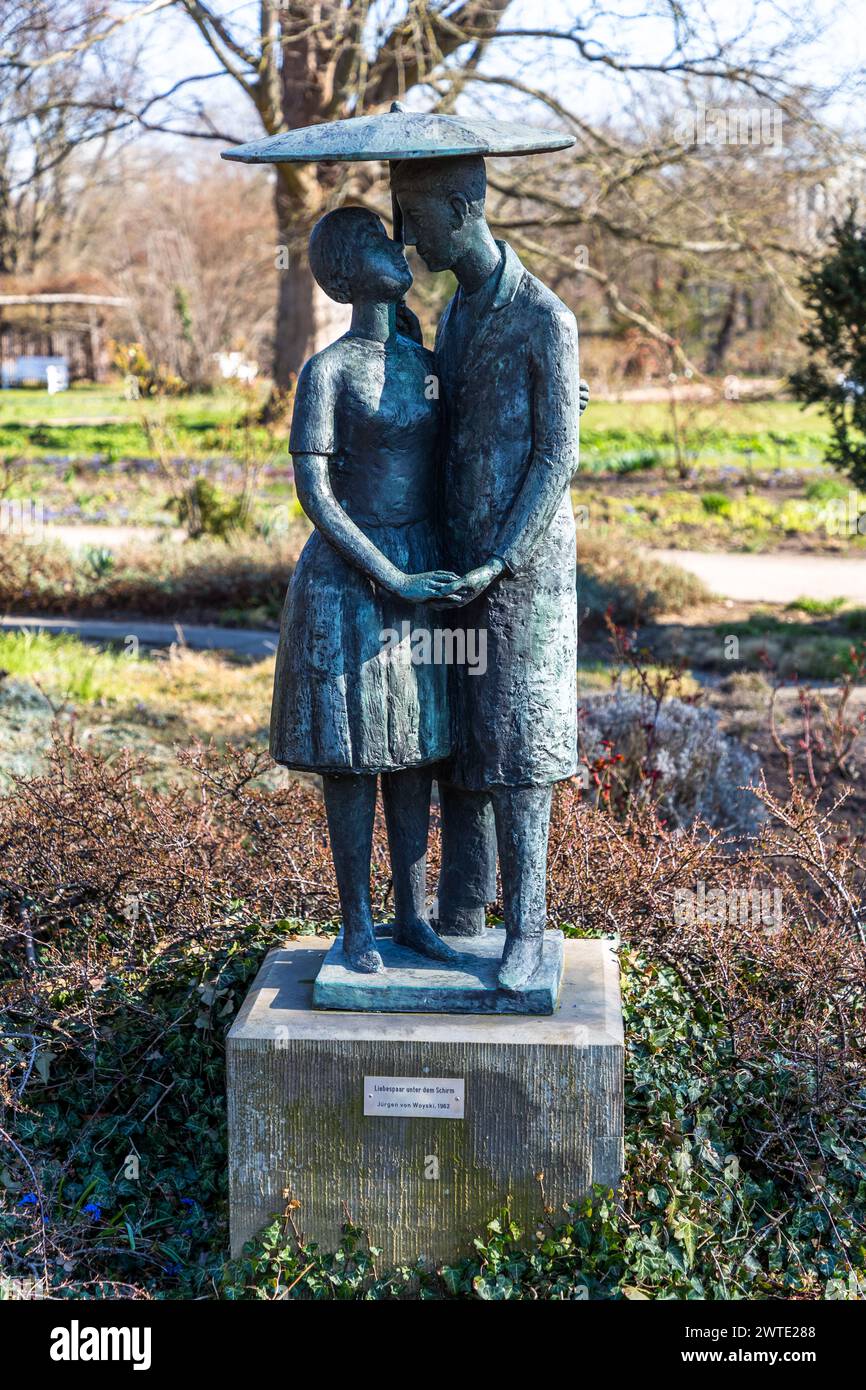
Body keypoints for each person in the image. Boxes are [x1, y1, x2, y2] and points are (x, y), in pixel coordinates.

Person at [393, 154, 581, 992]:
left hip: (523, 568)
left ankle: (527, 930)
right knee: (461, 737)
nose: (407, 238)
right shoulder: (457, 315)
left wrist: (504, 556)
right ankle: (463, 910)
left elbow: (555, 455)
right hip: (456, 559)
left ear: (464, 207)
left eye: (417, 217)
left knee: (519, 740)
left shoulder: (546, 317)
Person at [270, 206, 461, 974]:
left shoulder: (427, 363)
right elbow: (315, 493)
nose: (401, 246)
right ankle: (355, 924)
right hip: (350, 584)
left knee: (411, 750)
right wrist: (389, 574)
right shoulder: (330, 371)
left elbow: (480, 430)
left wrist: (557, 404)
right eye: (382, 241)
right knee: (353, 757)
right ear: (347, 276)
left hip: (418, 568)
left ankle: (412, 917)